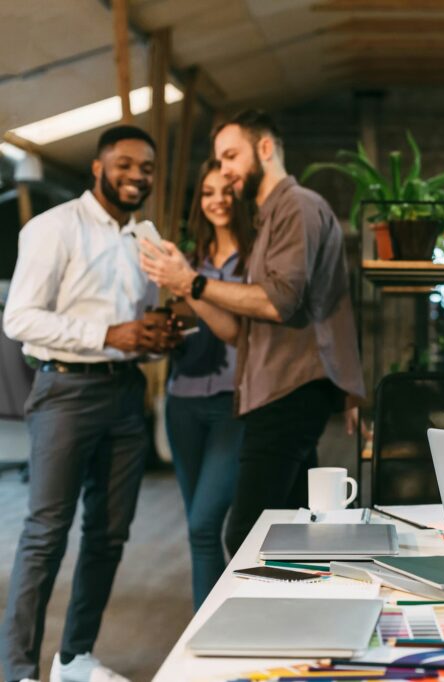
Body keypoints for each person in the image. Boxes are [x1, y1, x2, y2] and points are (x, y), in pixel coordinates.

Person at [139, 110, 365, 555]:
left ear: (265, 148)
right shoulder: (267, 219)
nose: (225, 170)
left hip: (289, 389)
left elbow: (278, 302)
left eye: (231, 156)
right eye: (219, 161)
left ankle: (267, 625)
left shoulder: (297, 206)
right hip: (271, 388)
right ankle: (305, 621)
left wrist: (194, 283)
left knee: (244, 536)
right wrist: (183, 279)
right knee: (296, 530)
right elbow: (234, 332)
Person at [2, 125, 175, 682]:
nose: (136, 176)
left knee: (108, 533)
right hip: (65, 393)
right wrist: (111, 333)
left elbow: (138, 317)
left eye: (146, 167)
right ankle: (19, 669)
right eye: (124, 164)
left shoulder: (145, 235)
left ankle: (74, 657)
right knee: (46, 531)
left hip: (125, 395)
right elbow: (20, 318)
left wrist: (152, 333)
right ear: (98, 168)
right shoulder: (53, 228)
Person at [165, 160, 254, 610]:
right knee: (198, 531)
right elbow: (184, 320)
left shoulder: (258, 257)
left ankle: (227, 620)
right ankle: (211, 630)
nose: (216, 199)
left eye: (226, 190)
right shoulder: (190, 257)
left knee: (206, 523)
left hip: (233, 403)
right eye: (206, 192)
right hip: (181, 400)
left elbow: (240, 329)